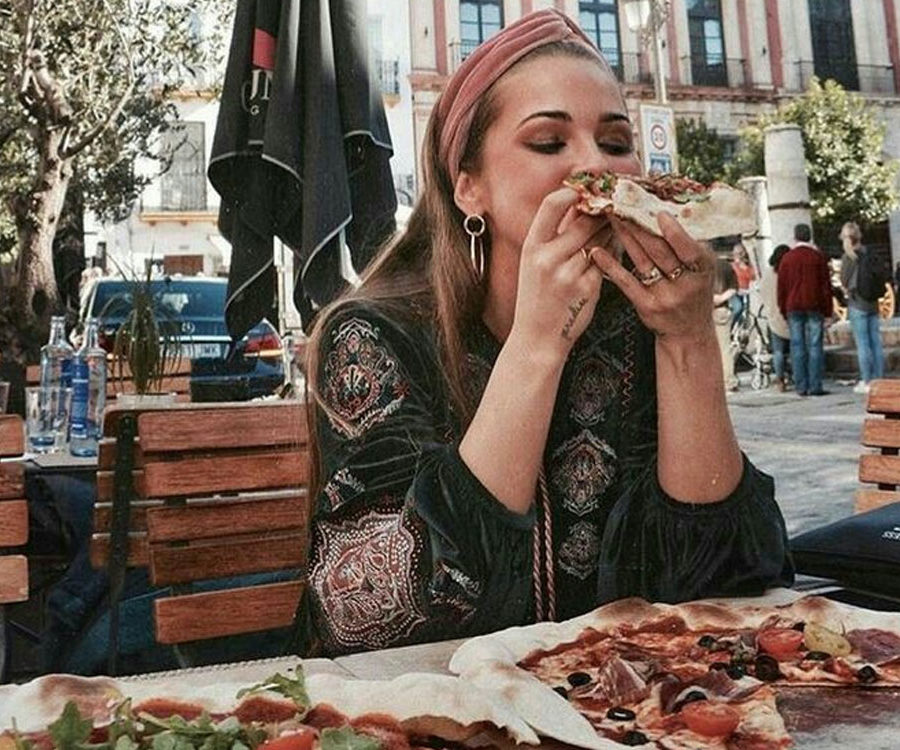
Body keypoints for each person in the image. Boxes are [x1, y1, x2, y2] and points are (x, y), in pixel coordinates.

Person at [289, 9, 793, 658]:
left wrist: (688, 340)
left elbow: (733, 591)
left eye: (615, 143)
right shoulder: (371, 335)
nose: (595, 165)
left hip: (615, 699)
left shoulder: (636, 324)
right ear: (469, 187)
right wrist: (536, 344)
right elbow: (377, 614)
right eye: (549, 142)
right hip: (423, 701)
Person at [777, 224, 832, 397]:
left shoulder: (787, 259)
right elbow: (825, 286)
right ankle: (815, 385)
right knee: (815, 346)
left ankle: (801, 386)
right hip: (814, 304)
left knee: (797, 346)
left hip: (793, 306)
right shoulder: (817, 257)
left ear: (795, 237)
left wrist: (783, 309)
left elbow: (781, 287)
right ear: (810, 236)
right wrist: (828, 311)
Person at [839, 222, 885, 393]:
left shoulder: (849, 257)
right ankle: (880, 378)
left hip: (857, 302)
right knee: (876, 342)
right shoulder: (869, 253)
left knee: (863, 344)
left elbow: (844, 281)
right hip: (873, 302)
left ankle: (867, 381)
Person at [760, 244, 791, 391]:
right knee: (794, 349)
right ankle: (796, 376)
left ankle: (780, 379)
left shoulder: (767, 274)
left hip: (773, 315)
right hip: (788, 314)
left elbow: (762, 293)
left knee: (778, 351)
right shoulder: (788, 274)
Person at [713, 257, 740, 391]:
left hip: (701, 312)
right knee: (724, 348)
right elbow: (734, 288)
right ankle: (728, 381)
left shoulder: (697, 265)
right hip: (721, 310)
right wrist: (721, 298)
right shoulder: (724, 266)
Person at [729, 243, 756, 330]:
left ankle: (741, 330)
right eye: (735, 253)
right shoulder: (733, 266)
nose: (736, 255)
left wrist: (745, 266)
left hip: (745, 292)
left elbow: (753, 277)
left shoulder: (748, 266)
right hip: (735, 291)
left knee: (746, 312)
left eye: (739, 253)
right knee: (738, 308)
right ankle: (731, 327)